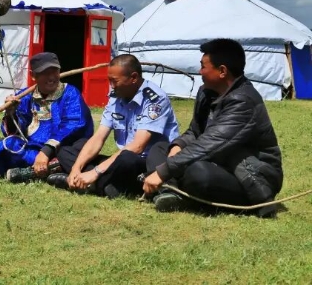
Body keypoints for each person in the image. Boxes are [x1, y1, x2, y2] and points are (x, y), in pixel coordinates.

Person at [142, 38, 283, 217]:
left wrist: (164, 171)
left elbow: (209, 144)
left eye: (203, 66)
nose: (199, 71)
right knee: (161, 147)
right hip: (219, 162)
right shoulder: (206, 92)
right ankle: (170, 193)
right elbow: (195, 132)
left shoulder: (244, 101)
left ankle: (170, 188)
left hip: (250, 177)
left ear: (222, 71)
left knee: (198, 172)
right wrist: (178, 146)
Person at [47, 54, 180, 199]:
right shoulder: (116, 95)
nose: (111, 86)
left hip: (147, 164)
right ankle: (98, 183)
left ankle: (96, 185)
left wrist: (95, 172)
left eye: (114, 81)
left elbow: (137, 147)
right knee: (67, 150)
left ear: (133, 78)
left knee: (126, 159)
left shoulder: (155, 99)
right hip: (120, 161)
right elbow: (99, 137)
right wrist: (75, 168)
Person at [0, 52, 94, 183]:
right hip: (35, 150)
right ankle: (49, 169)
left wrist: (46, 152)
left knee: (67, 155)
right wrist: (11, 113)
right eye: (45, 73)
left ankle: (36, 171)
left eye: (54, 71)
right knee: (6, 146)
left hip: (64, 148)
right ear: (33, 75)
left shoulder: (70, 93)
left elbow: (72, 124)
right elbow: (14, 131)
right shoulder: (25, 96)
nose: (51, 77)